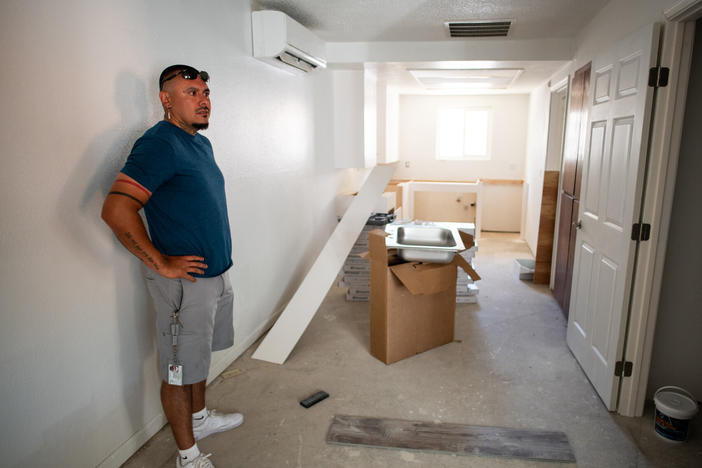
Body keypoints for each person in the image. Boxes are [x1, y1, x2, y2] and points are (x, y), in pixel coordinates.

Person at [102, 64, 242, 468]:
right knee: (178, 370)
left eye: (204, 91)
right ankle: (187, 456)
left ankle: (199, 420)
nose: (203, 99)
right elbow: (116, 209)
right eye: (190, 92)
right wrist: (160, 263)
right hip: (184, 286)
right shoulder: (160, 143)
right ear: (165, 100)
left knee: (198, 358)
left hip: (213, 275)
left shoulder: (198, 143)